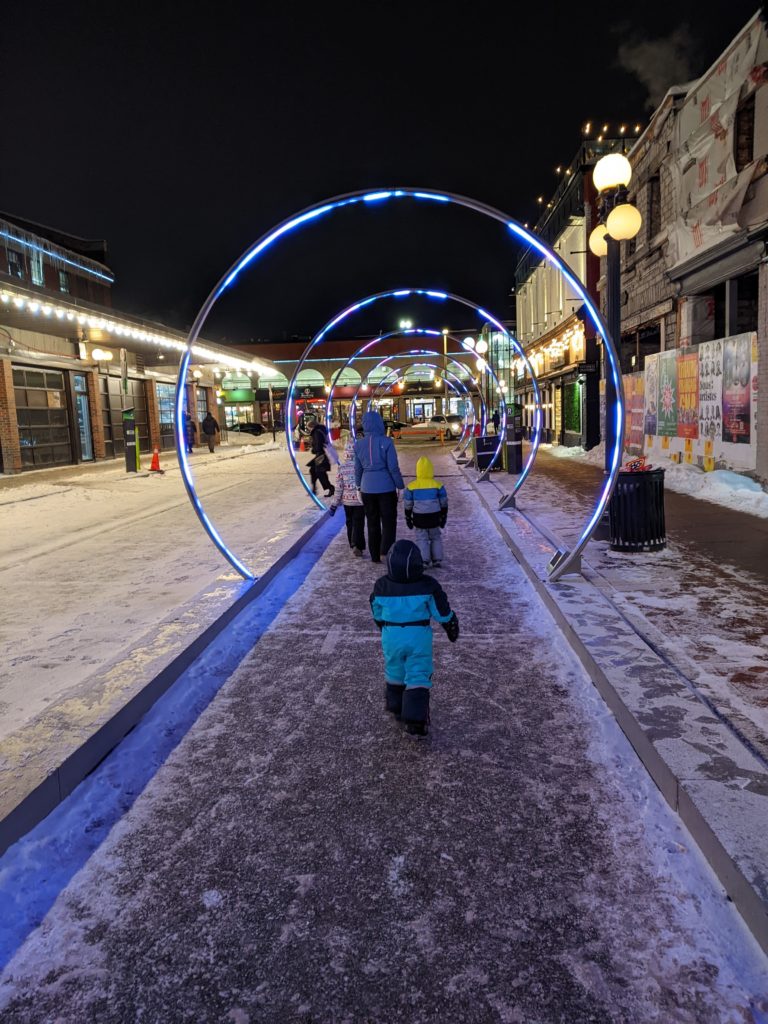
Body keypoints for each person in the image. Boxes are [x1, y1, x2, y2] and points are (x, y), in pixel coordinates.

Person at [370, 539, 459, 737]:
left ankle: (396, 706)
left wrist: (381, 624)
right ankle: (415, 719)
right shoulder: (428, 585)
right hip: (418, 635)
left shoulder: (381, 586)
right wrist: (451, 624)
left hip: (391, 635)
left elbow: (376, 610)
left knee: (395, 668)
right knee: (418, 671)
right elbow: (441, 611)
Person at [354, 410, 404, 564]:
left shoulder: (358, 444)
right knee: (389, 522)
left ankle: (374, 555)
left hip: (367, 488)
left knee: (372, 522)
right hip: (386, 487)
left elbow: (358, 469)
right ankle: (387, 551)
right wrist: (400, 485)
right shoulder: (387, 442)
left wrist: (358, 486)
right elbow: (393, 467)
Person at [403, 456, 448, 568]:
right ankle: (437, 559)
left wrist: (408, 517)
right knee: (435, 537)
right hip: (434, 516)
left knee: (421, 538)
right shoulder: (438, 485)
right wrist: (443, 515)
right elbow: (444, 502)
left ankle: (424, 560)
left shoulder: (411, 486)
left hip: (419, 517)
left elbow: (408, 504)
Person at [328, 439, 365, 556]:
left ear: (345, 453)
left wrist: (334, 504)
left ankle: (353, 544)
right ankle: (358, 545)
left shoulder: (342, 468)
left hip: (347, 502)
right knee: (359, 523)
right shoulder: (362, 467)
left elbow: (339, 488)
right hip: (360, 501)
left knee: (350, 522)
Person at [307, 416, 335, 497]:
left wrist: (314, 450)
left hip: (321, 455)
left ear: (312, 426)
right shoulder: (320, 430)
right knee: (313, 470)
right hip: (321, 454)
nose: (309, 430)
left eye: (309, 428)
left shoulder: (316, 432)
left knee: (320, 472)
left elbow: (319, 445)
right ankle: (314, 488)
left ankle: (330, 488)